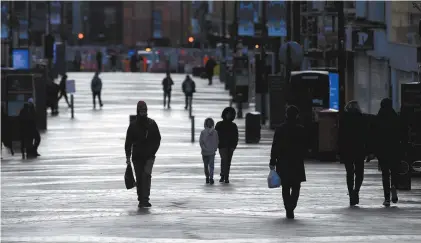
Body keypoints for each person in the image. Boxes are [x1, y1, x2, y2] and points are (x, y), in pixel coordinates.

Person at [269, 105, 306, 219]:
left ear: (286, 115)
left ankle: (287, 207)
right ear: (297, 115)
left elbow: (275, 146)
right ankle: (292, 205)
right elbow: (304, 145)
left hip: (283, 160)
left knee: (285, 186)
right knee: (296, 186)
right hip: (296, 161)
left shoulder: (280, 129)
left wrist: (273, 161)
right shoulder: (300, 129)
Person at [125, 101, 161, 208]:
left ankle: (145, 199)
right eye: (141, 110)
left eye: (144, 110)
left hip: (149, 157)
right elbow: (128, 142)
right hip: (137, 157)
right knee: (140, 178)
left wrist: (153, 152)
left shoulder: (151, 124)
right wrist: (128, 156)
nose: (143, 112)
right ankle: (141, 198)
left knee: (146, 177)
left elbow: (157, 139)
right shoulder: (133, 125)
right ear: (138, 111)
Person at [338, 100, 368, 206]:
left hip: (347, 149)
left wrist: (339, 151)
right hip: (359, 148)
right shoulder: (362, 118)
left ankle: (351, 192)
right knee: (359, 173)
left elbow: (340, 136)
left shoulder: (343, 119)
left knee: (349, 172)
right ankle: (356, 190)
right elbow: (366, 136)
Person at [373, 98, 400, 207]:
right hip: (394, 148)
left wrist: (373, 150)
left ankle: (387, 198)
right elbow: (400, 132)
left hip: (382, 149)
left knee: (385, 174)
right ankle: (394, 186)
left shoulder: (378, 118)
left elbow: (374, 134)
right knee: (394, 171)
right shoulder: (395, 117)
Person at [215, 107, 239, 183]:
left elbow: (236, 137)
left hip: (230, 145)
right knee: (224, 159)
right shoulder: (219, 124)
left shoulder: (233, 125)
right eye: (227, 114)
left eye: (230, 114)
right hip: (222, 145)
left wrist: (234, 146)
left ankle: (226, 176)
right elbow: (215, 135)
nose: (228, 116)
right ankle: (223, 175)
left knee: (228, 161)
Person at [199, 118, 219, 185]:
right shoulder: (215, 132)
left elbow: (201, 142)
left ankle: (208, 177)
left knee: (207, 166)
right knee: (210, 166)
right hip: (211, 152)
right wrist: (215, 148)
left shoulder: (203, 132)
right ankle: (210, 177)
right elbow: (217, 141)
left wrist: (204, 148)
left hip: (205, 152)